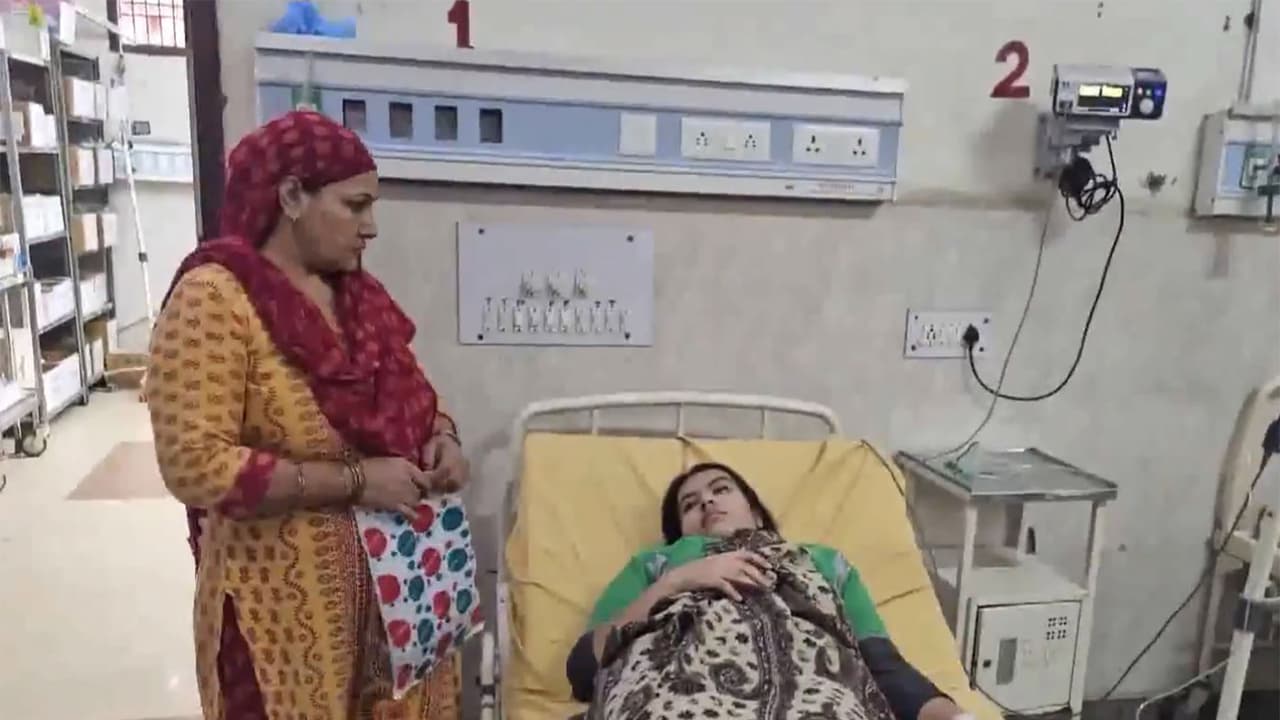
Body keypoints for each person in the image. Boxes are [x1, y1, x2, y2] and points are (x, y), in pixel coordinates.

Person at [147, 110, 469, 719]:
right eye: (354, 206)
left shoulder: (357, 297)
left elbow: (415, 393)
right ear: (292, 196)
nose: (370, 227)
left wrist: (443, 438)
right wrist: (356, 482)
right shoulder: (215, 299)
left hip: (402, 604)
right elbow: (195, 463)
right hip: (283, 621)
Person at [565, 462, 973, 720]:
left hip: (817, 687)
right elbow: (584, 668)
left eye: (721, 489)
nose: (706, 501)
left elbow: (882, 664)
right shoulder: (656, 565)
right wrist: (679, 581)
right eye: (690, 504)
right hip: (677, 690)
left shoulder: (823, 561)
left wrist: (954, 717)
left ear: (756, 512)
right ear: (679, 533)